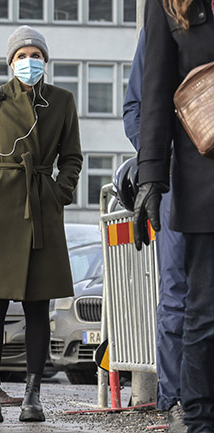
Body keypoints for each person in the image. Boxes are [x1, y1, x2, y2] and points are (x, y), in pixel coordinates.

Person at [0, 26, 82, 423]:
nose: (29, 62)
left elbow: (74, 158)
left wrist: (58, 193)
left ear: (46, 61)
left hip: (41, 212)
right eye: (22, 56)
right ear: (11, 62)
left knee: (37, 309)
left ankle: (33, 394)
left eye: (36, 55)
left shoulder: (62, 101)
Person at [134, 1, 214, 431]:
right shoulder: (167, 5)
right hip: (203, 180)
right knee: (202, 313)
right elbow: (154, 93)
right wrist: (151, 179)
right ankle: (200, 420)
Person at [122, 28, 189, 432]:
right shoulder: (165, 24)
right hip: (178, 184)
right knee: (177, 294)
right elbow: (135, 109)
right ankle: (175, 399)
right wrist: (159, 164)